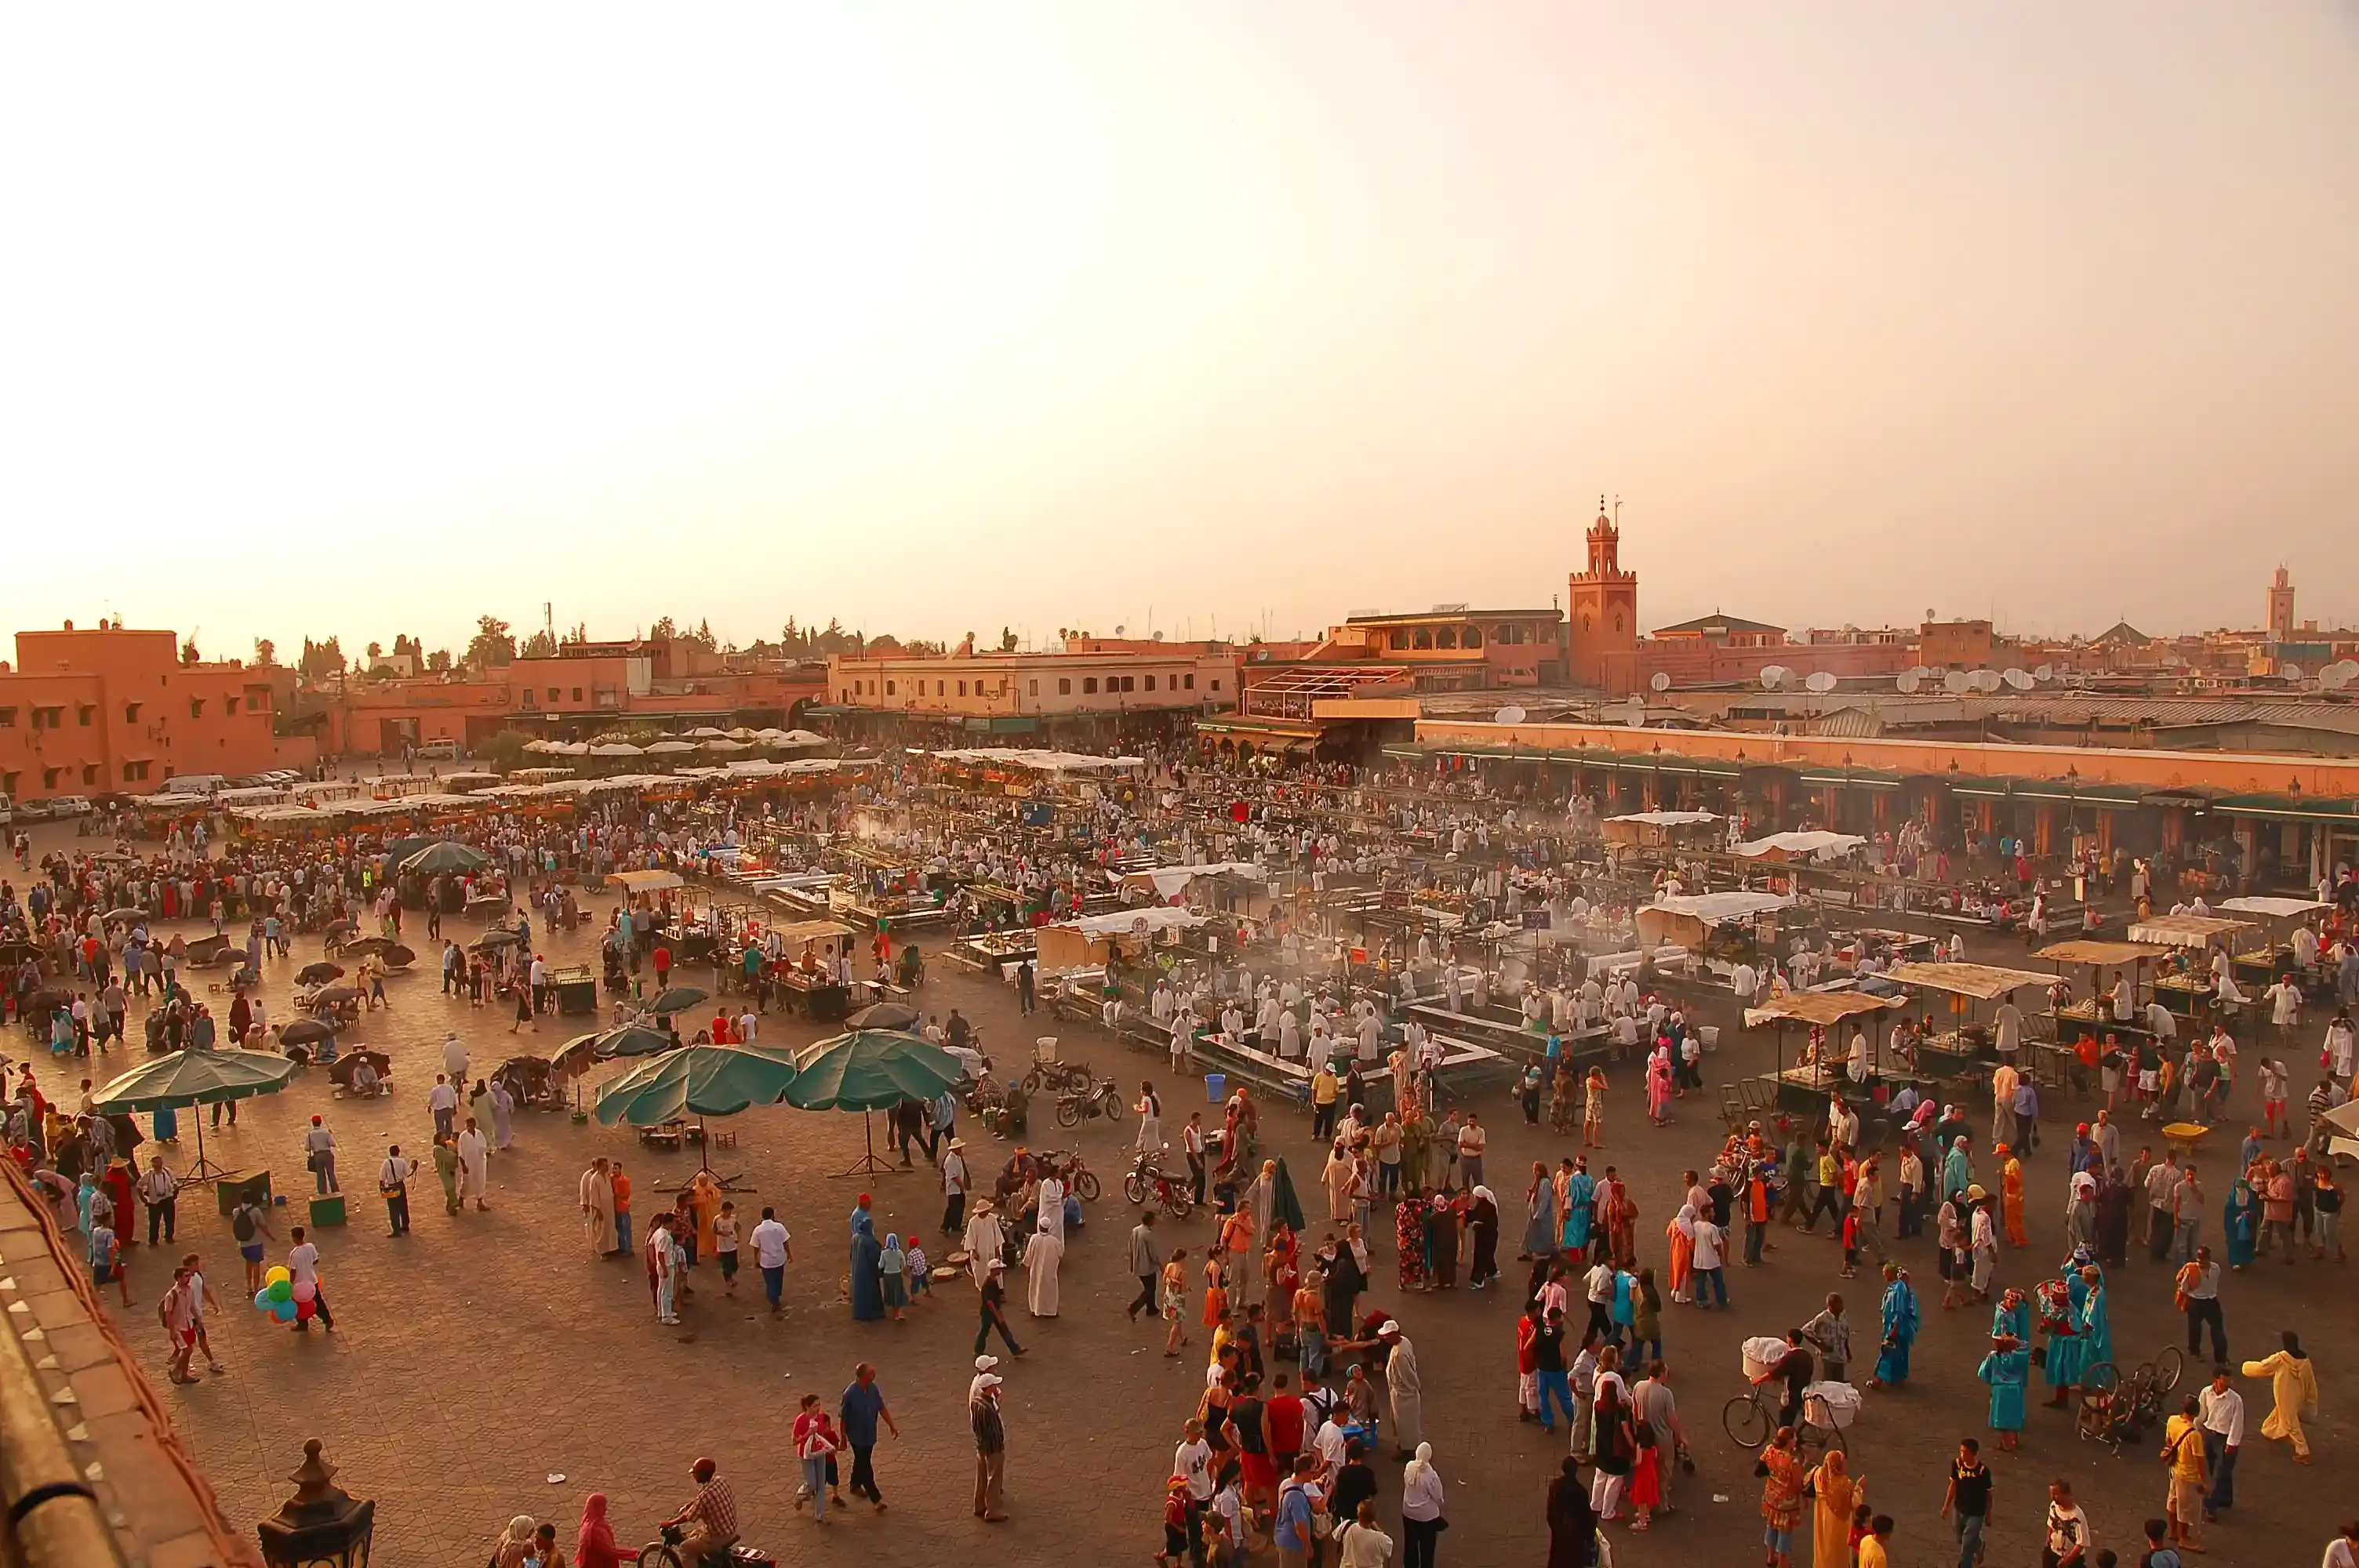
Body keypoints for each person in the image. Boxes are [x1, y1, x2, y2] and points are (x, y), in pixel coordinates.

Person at [2241, 1329, 2318, 1465]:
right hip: (2298, 1396)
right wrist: (2310, 1397)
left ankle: (2303, 1451)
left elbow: (2263, 1367)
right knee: (2281, 1416)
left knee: (2290, 1422)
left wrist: (2246, 1367)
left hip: (2284, 1396)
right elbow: (2310, 1380)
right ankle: (2273, 1432)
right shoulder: (2305, 1361)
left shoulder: (2281, 1358)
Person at [660, 1457, 739, 1563]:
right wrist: (689, 1505)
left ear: (703, 1475)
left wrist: (670, 1523)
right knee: (693, 1535)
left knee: (685, 1548)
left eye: (696, 1473)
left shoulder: (705, 1497)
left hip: (719, 1536)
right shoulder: (720, 1480)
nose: (694, 1475)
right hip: (730, 1528)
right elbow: (701, 1498)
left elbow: (689, 1517)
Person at [2160, 1396, 2206, 1555]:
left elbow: (2168, 1441)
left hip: (2174, 1469)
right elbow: (2200, 1461)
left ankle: (2173, 1531)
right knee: (2185, 1508)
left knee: (2172, 1500)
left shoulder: (2172, 1420)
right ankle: (2184, 1538)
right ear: (2196, 1413)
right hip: (2188, 1475)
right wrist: (2205, 1481)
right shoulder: (2195, 1435)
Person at [2197, 1365, 2244, 1521]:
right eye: (2223, 1382)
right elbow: (2202, 1414)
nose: (2226, 1386)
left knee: (2219, 1473)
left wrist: (2232, 1444)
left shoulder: (2235, 1400)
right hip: (2209, 1435)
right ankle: (2226, 1498)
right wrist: (2196, 1430)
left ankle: (2210, 1507)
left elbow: (2237, 1423)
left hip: (2225, 1439)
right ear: (2215, 1380)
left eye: (2228, 1383)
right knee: (2215, 1469)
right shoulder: (2206, 1393)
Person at [1939, 1437, 1992, 1568]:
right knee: (1959, 1538)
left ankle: (1965, 1565)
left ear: (1974, 1454)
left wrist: (1988, 1514)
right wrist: (1946, 1506)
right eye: (1961, 1451)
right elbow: (1953, 1485)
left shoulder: (1982, 1471)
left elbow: (1989, 1494)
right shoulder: (1957, 1465)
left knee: (1967, 1542)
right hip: (1959, 1509)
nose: (1962, 1455)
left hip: (1976, 1513)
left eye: (1966, 1452)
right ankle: (1979, 1545)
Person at [1757, 1425, 1805, 1568]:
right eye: (1795, 1437)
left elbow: (1762, 1466)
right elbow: (1798, 1484)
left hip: (1771, 1497)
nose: (1796, 1439)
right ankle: (1782, 1562)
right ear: (1789, 1441)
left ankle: (1771, 1557)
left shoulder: (1769, 1450)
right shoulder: (1792, 1462)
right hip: (1786, 1503)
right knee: (1784, 1531)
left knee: (1771, 1525)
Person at [971, 1356, 1009, 1522]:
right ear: (988, 1388)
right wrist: (998, 1446)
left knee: (982, 1476)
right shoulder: (988, 1409)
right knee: (994, 1478)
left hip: (981, 1446)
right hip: (992, 1448)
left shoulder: (977, 1403)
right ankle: (992, 1510)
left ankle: (979, 1505)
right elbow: (993, 1430)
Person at [1808, 1448, 1862, 1568]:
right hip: (1838, 1524)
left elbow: (1806, 1480)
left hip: (1822, 1516)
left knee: (1823, 1545)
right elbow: (1856, 1503)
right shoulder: (1845, 1483)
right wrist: (1860, 1488)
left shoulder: (1819, 1474)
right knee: (1837, 1550)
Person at [1868, 1263, 1918, 1388]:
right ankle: (1897, 1376)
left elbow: (1899, 1311)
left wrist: (1894, 1330)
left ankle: (1879, 1380)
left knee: (1887, 1353)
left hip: (1895, 1328)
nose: (1884, 1276)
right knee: (1899, 1353)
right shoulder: (1897, 1287)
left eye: (1885, 1273)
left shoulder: (1898, 1290)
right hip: (1896, 1327)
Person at [1546, 1456, 1600, 1568]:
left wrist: (1555, 1526)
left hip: (1559, 1531)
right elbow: (1586, 1516)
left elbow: (1551, 1510)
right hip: (1575, 1534)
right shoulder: (1580, 1491)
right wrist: (1590, 1536)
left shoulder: (1555, 1486)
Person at [2041, 1479, 2091, 1568]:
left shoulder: (2077, 1516)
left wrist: (2067, 1560)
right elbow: (2051, 1526)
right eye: (2052, 1494)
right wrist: (2048, 1546)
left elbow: (2081, 1544)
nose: (2052, 1497)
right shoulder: (2054, 1506)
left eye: (2056, 1494)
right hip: (2053, 1553)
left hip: (2072, 1560)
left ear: (2066, 1494)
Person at [1024, 1214, 1064, 1317]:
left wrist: (1027, 1264)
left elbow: (1028, 1254)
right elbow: (1061, 1253)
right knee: (1050, 1289)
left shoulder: (1034, 1239)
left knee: (1035, 1286)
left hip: (1036, 1268)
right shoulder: (1054, 1241)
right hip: (1049, 1270)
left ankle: (1035, 1309)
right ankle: (1050, 1311)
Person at [376, 1144, 415, 1237]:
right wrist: (413, 1169)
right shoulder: (402, 1161)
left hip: (391, 1188)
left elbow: (382, 1178)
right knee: (403, 1206)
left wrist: (381, 1188)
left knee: (393, 1209)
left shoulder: (386, 1163)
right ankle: (405, 1225)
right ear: (398, 1152)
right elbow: (408, 1173)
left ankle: (396, 1230)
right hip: (401, 1186)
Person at [456, 1116, 490, 1210]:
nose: (469, 1128)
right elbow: (460, 1153)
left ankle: (480, 1202)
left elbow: (484, 1146)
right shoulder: (463, 1136)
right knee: (467, 1182)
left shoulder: (479, 1134)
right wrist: (463, 1166)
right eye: (468, 1126)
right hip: (468, 1162)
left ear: (475, 1125)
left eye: (471, 1126)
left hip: (480, 1161)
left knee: (481, 1181)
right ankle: (461, 1199)